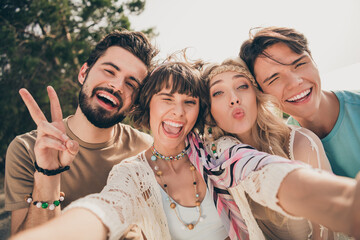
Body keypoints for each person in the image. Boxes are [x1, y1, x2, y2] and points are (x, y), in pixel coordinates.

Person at [10, 57, 360, 240]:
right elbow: (106, 210)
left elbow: (264, 173)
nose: (178, 111)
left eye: (189, 101)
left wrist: (345, 203)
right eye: (166, 99)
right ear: (147, 108)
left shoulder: (217, 151)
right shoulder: (131, 173)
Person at [4, 29, 158, 236]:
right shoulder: (26, 149)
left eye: (131, 84)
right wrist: (47, 173)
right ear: (83, 73)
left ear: (134, 104)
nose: (116, 85)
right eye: (109, 71)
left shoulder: (146, 152)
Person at [201, 57, 338, 239]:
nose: (234, 99)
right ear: (209, 110)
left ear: (256, 94)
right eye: (218, 93)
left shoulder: (300, 143)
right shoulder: (214, 160)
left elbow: (328, 229)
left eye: (242, 86)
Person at [239, 26, 360, 179]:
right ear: (262, 94)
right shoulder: (285, 147)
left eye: (299, 64)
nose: (295, 82)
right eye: (274, 78)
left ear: (313, 60)